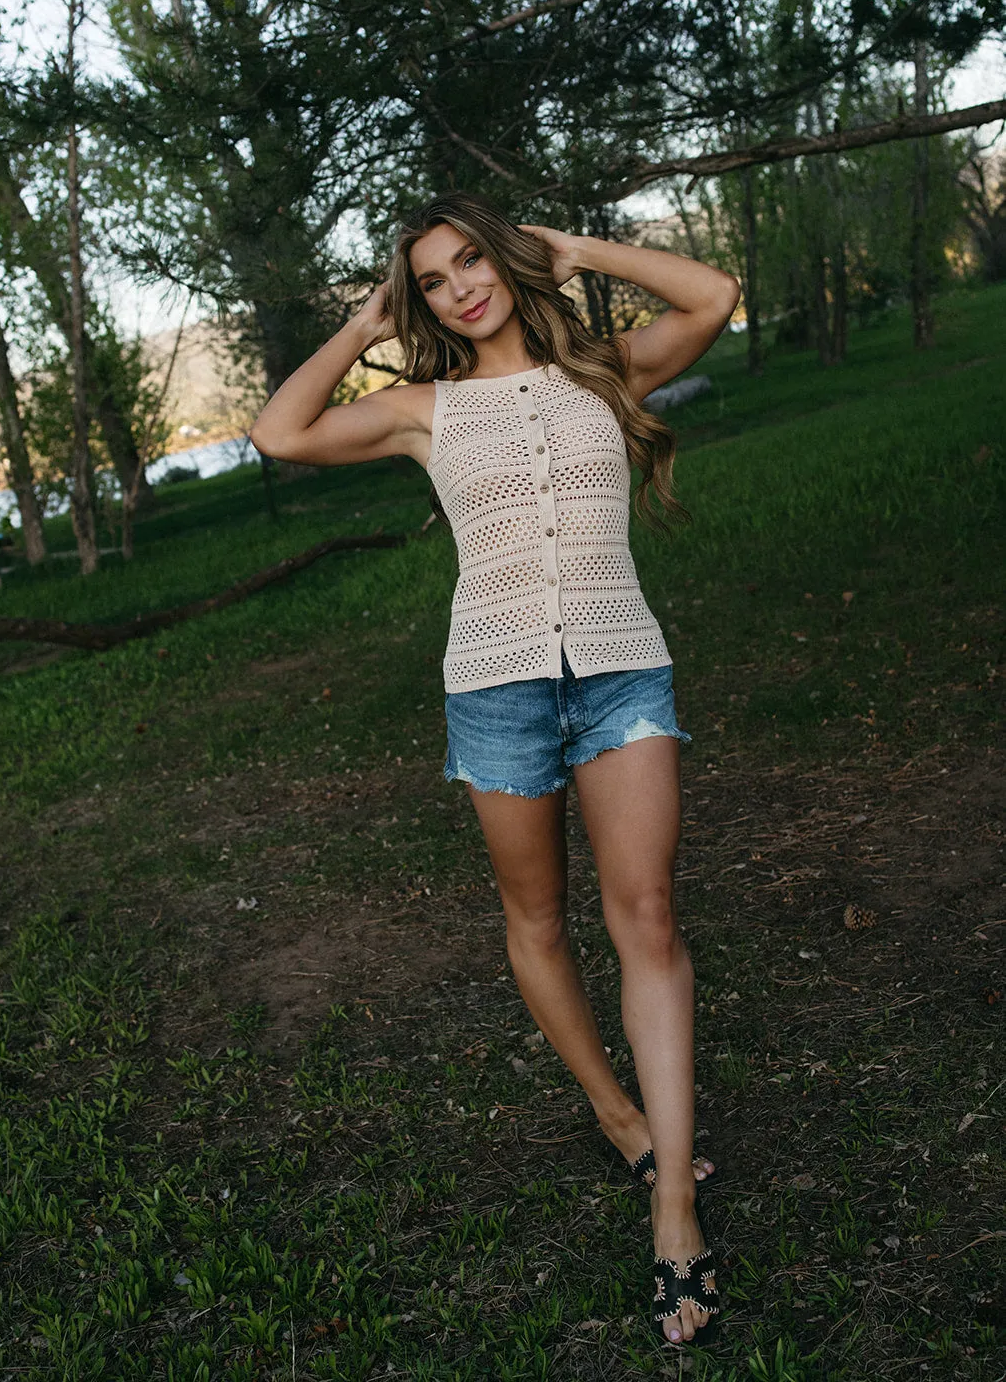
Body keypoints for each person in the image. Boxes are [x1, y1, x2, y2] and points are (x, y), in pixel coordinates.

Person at [250, 193, 740, 1347]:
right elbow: (277, 432)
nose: (460, 285)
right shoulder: (424, 410)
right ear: (416, 300)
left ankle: (673, 1206)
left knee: (650, 917)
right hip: (496, 686)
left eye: (472, 259)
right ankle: (618, 1116)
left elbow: (712, 297)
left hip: (621, 670)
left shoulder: (605, 369)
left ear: (506, 260)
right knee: (536, 919)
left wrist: (574, 252)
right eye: (432, 279)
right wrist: (361, 331)